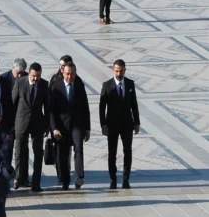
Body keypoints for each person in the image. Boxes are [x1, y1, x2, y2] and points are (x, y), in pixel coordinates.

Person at [99, 59, 140, 189]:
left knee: (127, 151)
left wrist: (136, 122)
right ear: (113, 70)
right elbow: (102, 106)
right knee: (112, 152)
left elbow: (134, 104)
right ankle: (113, 179)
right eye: (116, 71)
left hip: (127, 124)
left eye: (121, 71)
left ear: (124, 70)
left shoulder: (130, 84)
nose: (118, 73)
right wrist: (103, 124)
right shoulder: (107, 85)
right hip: (112, 125)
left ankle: (126, 179)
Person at [50, 62, 91, 190]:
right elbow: (51, 110)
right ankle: (66, 181)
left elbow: (85, 106)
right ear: (63, 72)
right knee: (63, 154)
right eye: (67, 74)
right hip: (62, 127)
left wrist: (87, 128)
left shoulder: (79, 85)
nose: (70, 76)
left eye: (72, 73)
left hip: (77, 125)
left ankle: (79, 176)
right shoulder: (56, 87)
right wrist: (54, 128)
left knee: (79, 148)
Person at [12, 62, 50, 192]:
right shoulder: (20, 82)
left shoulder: (44, 85)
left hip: (37, 124)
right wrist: (12, 124)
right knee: (19, 152)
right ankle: (18, 178)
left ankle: (36, 182)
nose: (35, 78)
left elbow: (47, 107)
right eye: (34, 76)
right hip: (21, 122)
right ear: (29, 73)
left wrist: (47, 125)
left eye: (38, 76)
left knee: (38, 153)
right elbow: (13, 103)